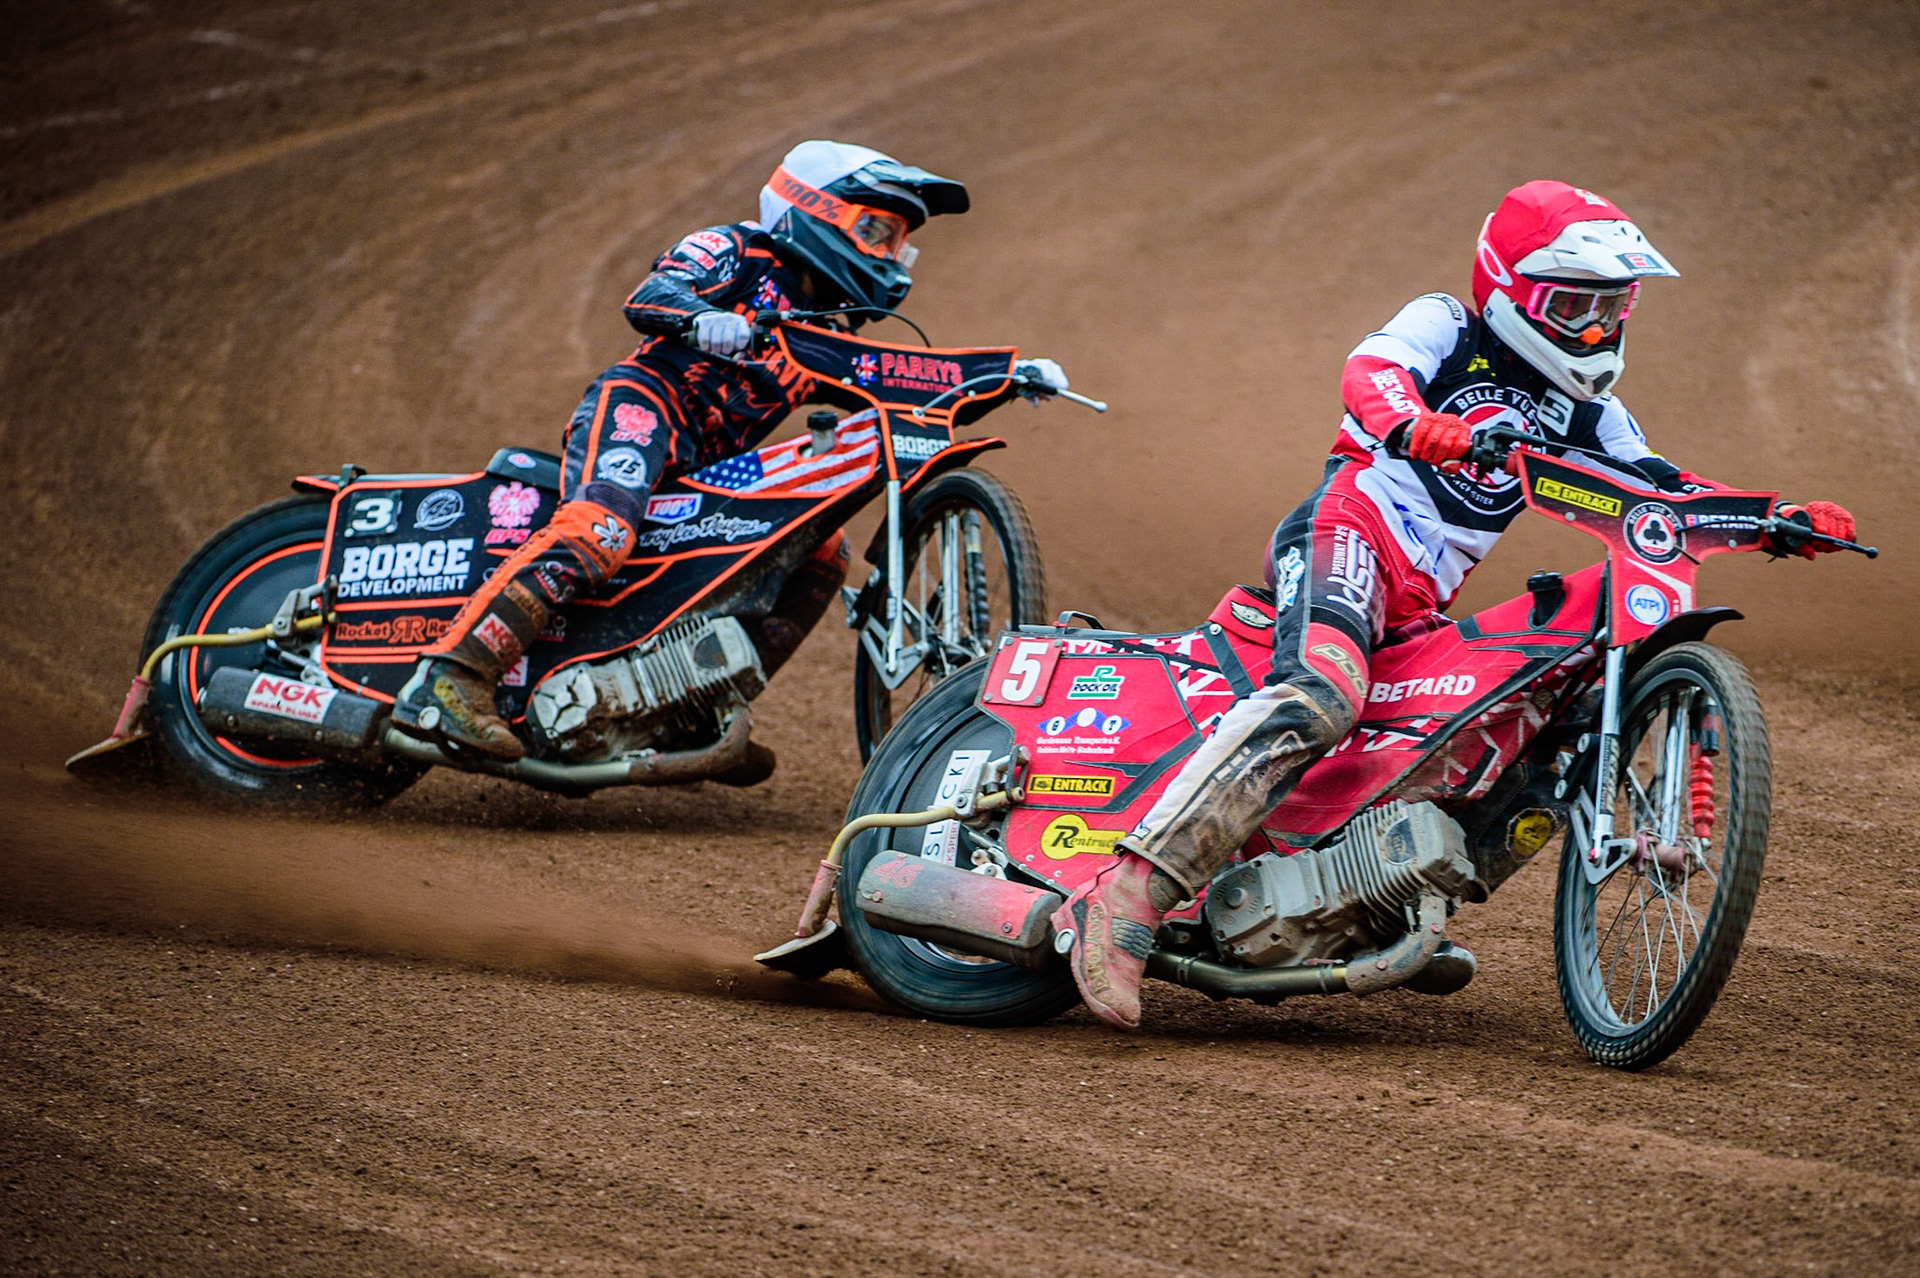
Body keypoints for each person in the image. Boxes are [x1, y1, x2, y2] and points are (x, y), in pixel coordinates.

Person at [1052, 179, 1859, 1030]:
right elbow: (1371, 372)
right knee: (1320, 698)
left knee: (1496, 733)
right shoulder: (1449, 325)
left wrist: (1772, 515)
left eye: (1611, 308)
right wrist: (1416, 424)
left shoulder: (1591, 410)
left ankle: (1370, 902)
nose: (1594, 330)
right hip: (1349, 533)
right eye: (1574, 304)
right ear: (1510, 288)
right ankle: (1129, 892)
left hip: (1422, 606)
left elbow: (1663, 486)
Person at [392, 139, 1067, 760]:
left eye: (897, 242)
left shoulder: (822, 327)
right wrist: (700, 316)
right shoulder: (737, 249)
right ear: (814, 206)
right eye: (874, 230)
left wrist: (1009, 374)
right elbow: (653, 291)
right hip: (642, 408)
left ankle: (694, 709)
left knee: (819, 550)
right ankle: (450, 680)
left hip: (709, 465)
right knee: (599, 528)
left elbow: (898, 378)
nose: (887, 254)